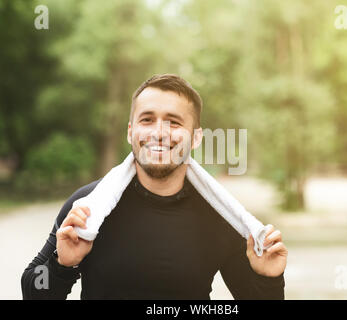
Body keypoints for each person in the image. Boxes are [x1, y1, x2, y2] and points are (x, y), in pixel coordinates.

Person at [21, 74, 288, 300]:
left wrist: (269, 279)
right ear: (130, 132)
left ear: (196, 138)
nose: (159, 132)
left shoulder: (222, 215)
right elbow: (31, 291)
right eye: (147, 119)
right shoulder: (88, 207)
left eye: (173, 122)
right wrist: (61, 264)